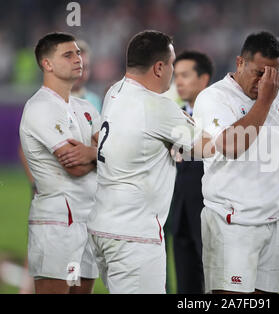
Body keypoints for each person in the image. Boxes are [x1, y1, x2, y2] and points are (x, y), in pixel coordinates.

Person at [193, 31, 279, 294]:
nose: (266, 82)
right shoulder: (214, 98)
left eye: (273, 75)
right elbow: (233, 146)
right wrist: (265, 101)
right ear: (239, 63)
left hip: (275, 223)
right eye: (259, 73)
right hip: (231, 222)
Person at [86, 30, 197, 294]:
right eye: (171, 64)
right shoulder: (159, 107)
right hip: (134, 236)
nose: (173, 71)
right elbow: (211, 146)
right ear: (159, 67)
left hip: (102, 227)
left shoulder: (114, 92)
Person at [19, 32, 100, 294]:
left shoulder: (86, 107)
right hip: (56, 223)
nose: (78, 59)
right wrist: (98, 154)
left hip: (89, 219)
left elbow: (115, 153)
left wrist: (91, 154)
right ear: (47, 64)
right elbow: (74, 167)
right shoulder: (40, 107)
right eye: (68, 54)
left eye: (78, 53)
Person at [171, 51, 213, 293]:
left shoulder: (220, 116)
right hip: (180, 212)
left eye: (185, 75)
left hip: (210, 211)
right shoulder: (172, 115)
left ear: (204, 78)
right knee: (186, 286)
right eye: (176, 75)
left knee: (215, 283)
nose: (178, 81)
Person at [71, 40, 103, 113]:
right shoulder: (52, 100)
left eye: (85, 67)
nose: (80, 73)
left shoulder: (95, 102)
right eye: (76, 66)